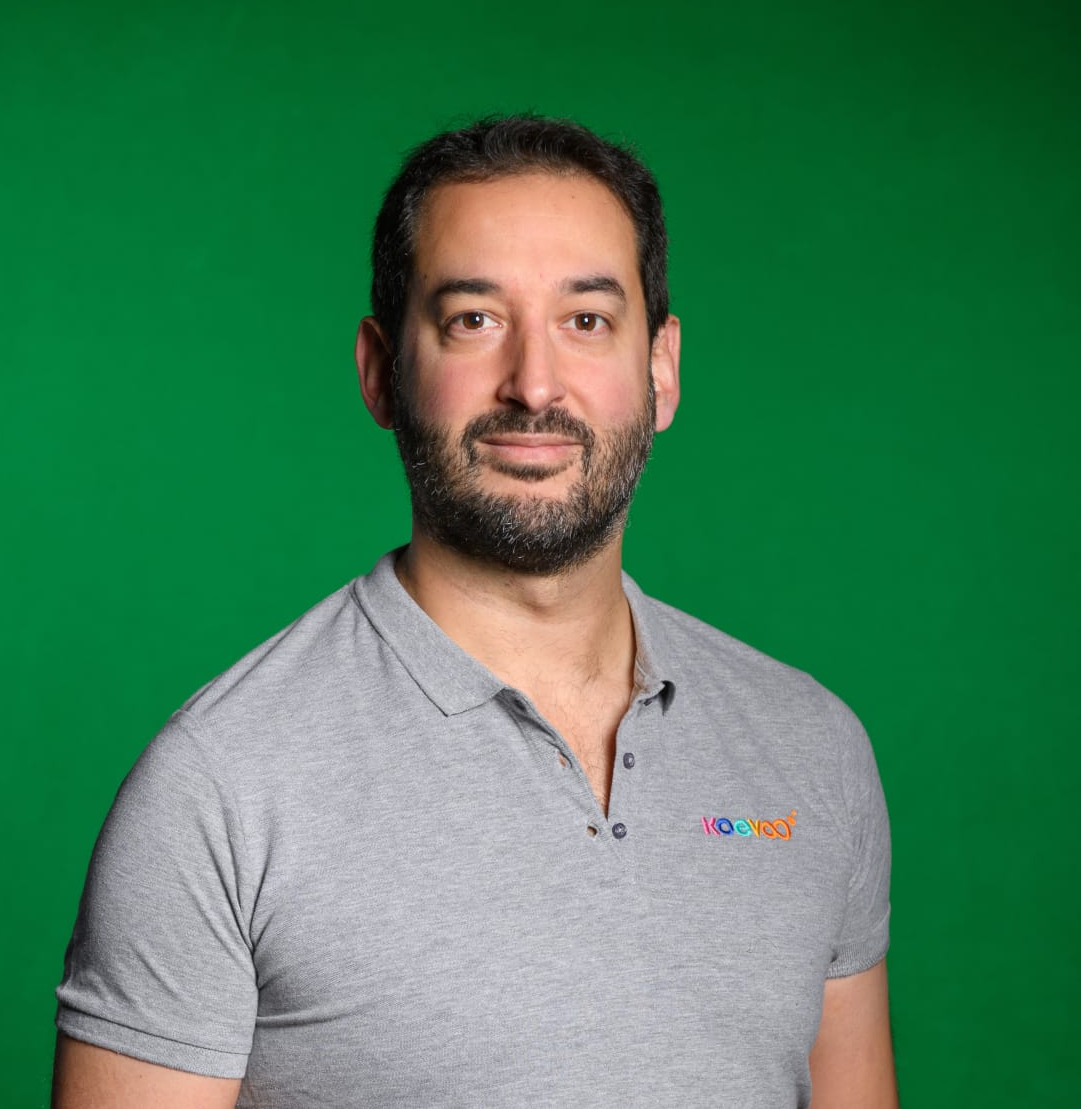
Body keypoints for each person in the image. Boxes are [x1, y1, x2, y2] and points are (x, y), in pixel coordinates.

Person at [53, 115, 896, 1108]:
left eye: (586, 320)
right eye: (472, 319)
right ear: (381, 371)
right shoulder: (218, 786)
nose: (533, 385)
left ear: (661, 368)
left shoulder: (810, 747)